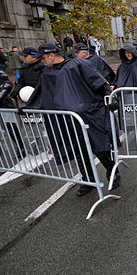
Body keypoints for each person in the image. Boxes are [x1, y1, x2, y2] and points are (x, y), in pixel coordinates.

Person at [24, 43, 120, 196]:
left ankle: (112, 171)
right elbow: (42, 92)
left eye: (43, 57)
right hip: (65, 118)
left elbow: (99, 81)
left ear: (51, 55)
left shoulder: (77, 64)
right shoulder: (46, 72)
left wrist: (110, 96)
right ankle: (88, 179)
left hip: (87, 113)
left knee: (98, 146)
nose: (41, 61)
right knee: (78, 149)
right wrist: (30, 107)